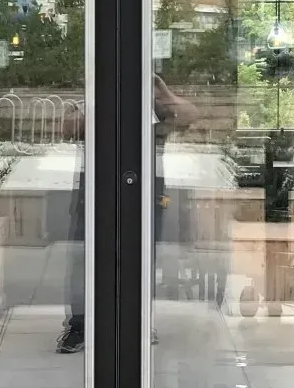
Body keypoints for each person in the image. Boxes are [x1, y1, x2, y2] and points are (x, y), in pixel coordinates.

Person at [56, 74, 196, 354]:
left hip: (145, 187)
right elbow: (68, 130)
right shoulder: (91, 103)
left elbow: (190, 116)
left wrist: (163, 93)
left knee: (141, 255)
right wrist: (89, 105)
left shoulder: (155, 106)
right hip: (95, 187)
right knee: (86, 254)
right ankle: (80, 324)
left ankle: (138, 319)